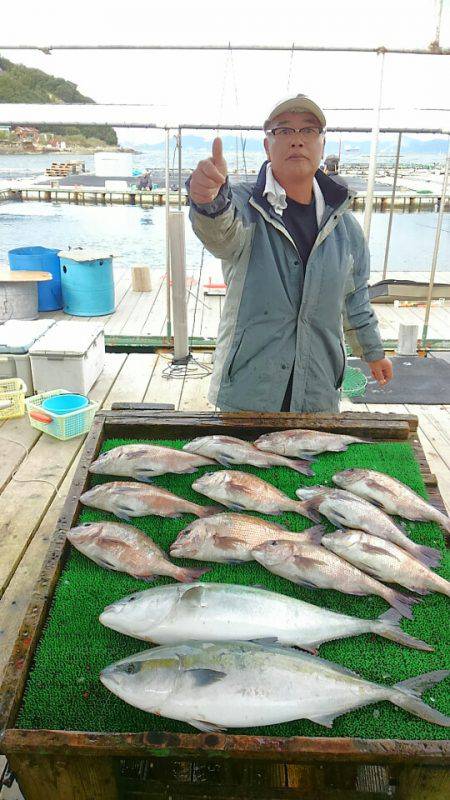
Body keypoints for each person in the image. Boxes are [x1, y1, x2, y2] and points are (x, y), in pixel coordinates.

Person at [187, 93, 393, 412]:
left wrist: (373, 351)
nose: (297, 140)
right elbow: (221, 235)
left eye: (308, 130)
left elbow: (355, 298)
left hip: (319, 390)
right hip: (248, 392)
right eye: (284, 130)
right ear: (267, 145)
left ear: (323, 144)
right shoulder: (243, 206)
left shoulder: (346, 227)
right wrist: (208, 201)